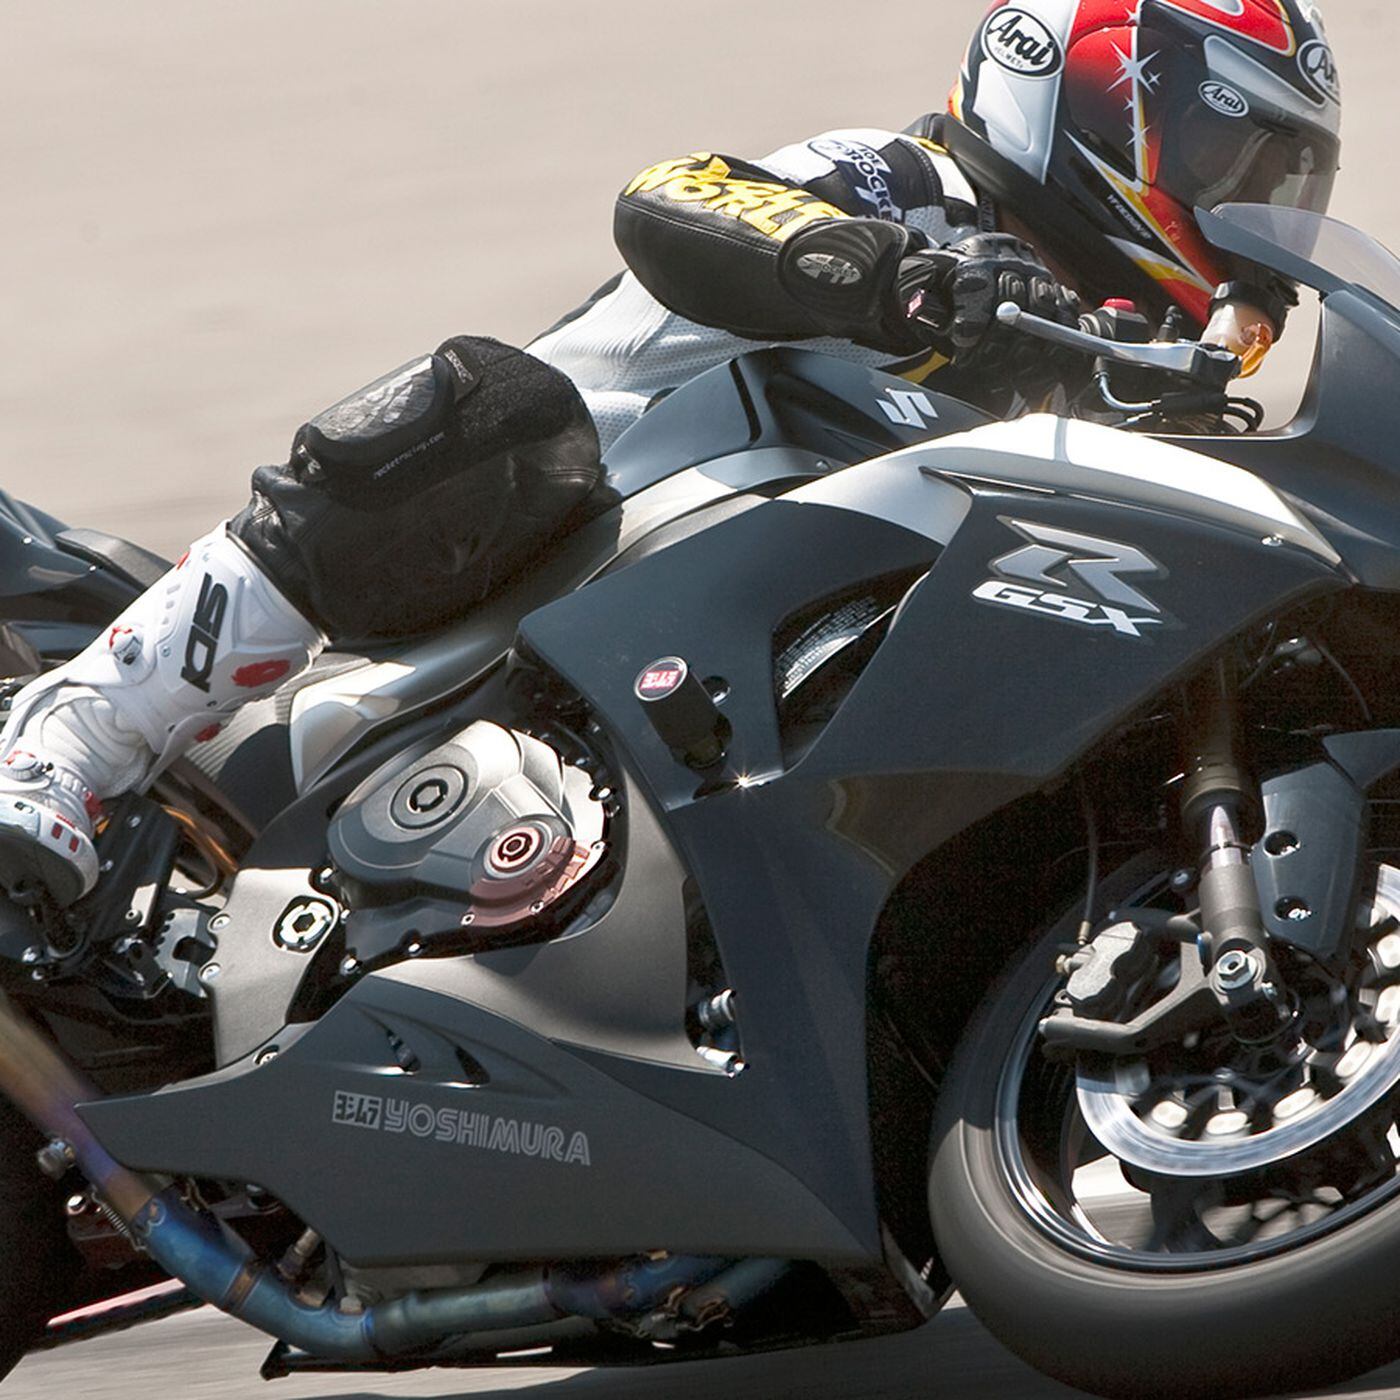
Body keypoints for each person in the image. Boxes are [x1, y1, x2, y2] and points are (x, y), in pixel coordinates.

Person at [0, 0, 1341, 905]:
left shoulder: (1105, 373)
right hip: (513, 583)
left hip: (686, 742)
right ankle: (72, 737)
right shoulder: (903, 187)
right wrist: (900, 284)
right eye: (1232, 154)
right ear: (1079, 92)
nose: (1245, 208)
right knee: (492, 406)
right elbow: (673, 199)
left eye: (1280, 184)